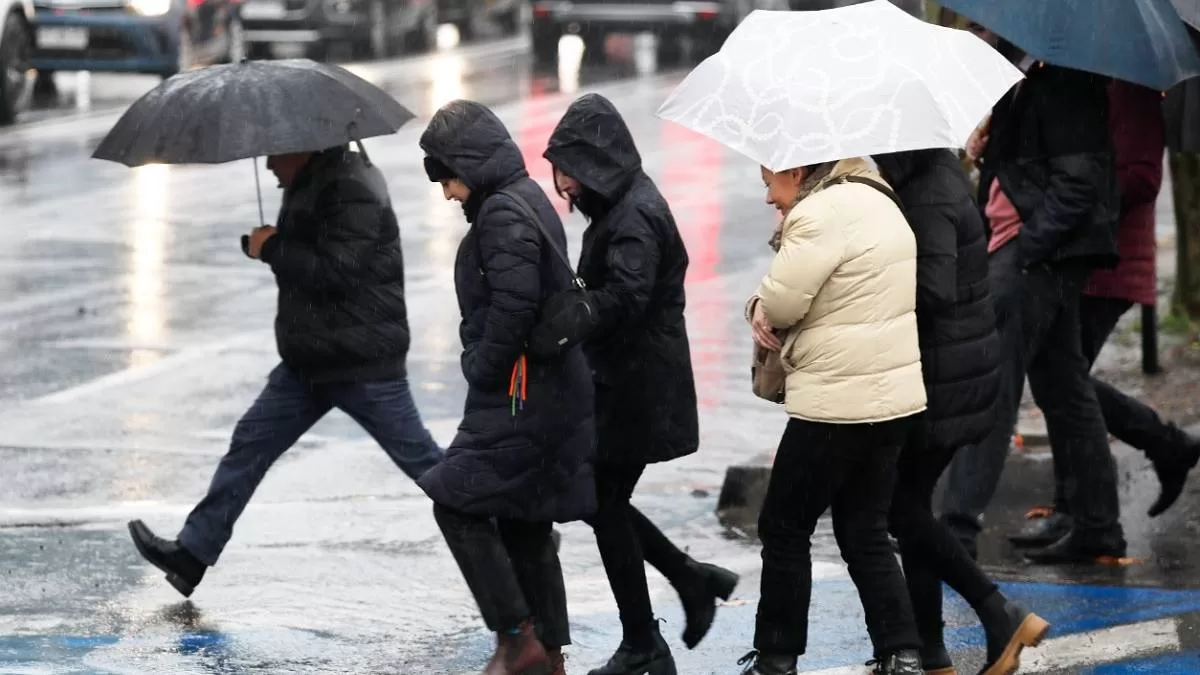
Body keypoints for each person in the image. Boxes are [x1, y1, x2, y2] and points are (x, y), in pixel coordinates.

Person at [126, 144, 444, 598]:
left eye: (275, 155)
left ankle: (506, 528)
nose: (270, 164)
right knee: (250, 443)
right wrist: (271, 244)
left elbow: (341, 272)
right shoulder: (314, 181)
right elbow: (312, 258)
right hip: (311, 361)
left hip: (361, 362)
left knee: (424, 462)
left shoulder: (351, 187)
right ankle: (192, 554)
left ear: (302, 148)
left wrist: (273, 246)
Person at [539, 93, 740, 675]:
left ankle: (647, 637)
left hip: (637, 387)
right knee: (602, 501)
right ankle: (683, 588)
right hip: (626, 382)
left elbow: (626, 297)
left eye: (570, 172)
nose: (566, 187)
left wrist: (571, 315)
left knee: (599, 500)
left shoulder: (634, 215)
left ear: (596, 161)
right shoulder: (619, 207)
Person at [417, 99, 597, 675]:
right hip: (546, 393)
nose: (447, 193)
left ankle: (518, 639)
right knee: (524, 516)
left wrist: (483, 367)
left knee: (456, 500)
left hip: (521, 396)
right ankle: (548, 650)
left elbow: (515, 304)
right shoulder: (524, 198)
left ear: (468, 163)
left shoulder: (502, 213)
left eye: (447, 176)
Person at [939, 25, 1127, 565]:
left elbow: (1077, 182)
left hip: (1033, 257)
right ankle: (1098, 526)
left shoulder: (1063, 74)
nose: (975, 32)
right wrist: (989, 145)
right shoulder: (1028, 70)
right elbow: (1035, 167)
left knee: (992, 390)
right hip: (1033, 253)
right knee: (1064, 386)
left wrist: (1027, 249)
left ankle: (955, 535)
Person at [738, 157, 926, 675]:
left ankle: (777, 657)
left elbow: (781, 303)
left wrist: (758, 301)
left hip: (835, 406)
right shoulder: (881, 198)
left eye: (770, 182)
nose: (768, 197)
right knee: (864, 527)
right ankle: (903, 653)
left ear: (796, 172)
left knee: (784, 525)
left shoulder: (819, 213)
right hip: (892, 401)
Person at [874, 149, 1050, 675]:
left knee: (899, 508)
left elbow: (932, 288)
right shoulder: (937, 173)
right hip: (954, 370)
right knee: (911, 508)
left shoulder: (927, 192)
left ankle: (999, 611)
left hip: (944, 377)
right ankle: (933, 652)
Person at [1011, 79, 1200, 547]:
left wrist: (1079, 181)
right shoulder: (1084, 85)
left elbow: (1142, 176)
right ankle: (1082, 502)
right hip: (1081, 258)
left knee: (1062, 379)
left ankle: (1097, 504)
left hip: (1111, 263)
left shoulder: (1130, 91)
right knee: (1060, 379)